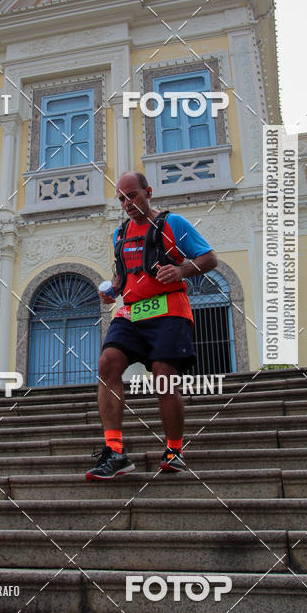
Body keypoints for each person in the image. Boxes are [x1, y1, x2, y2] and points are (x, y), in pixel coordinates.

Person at [86, 170, 218, 481]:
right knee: (107, 363)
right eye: (121, 199)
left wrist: (182, 270)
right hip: (132, 312)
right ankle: (115, 452)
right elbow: (124, 277)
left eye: (132, 195)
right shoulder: (119, 234)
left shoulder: (174, 224)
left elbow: (210, 258)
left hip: (170, 309)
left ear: (148, 191)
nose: (127, 203)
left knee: (163, 377)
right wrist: (111, 290)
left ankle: (174, 450)